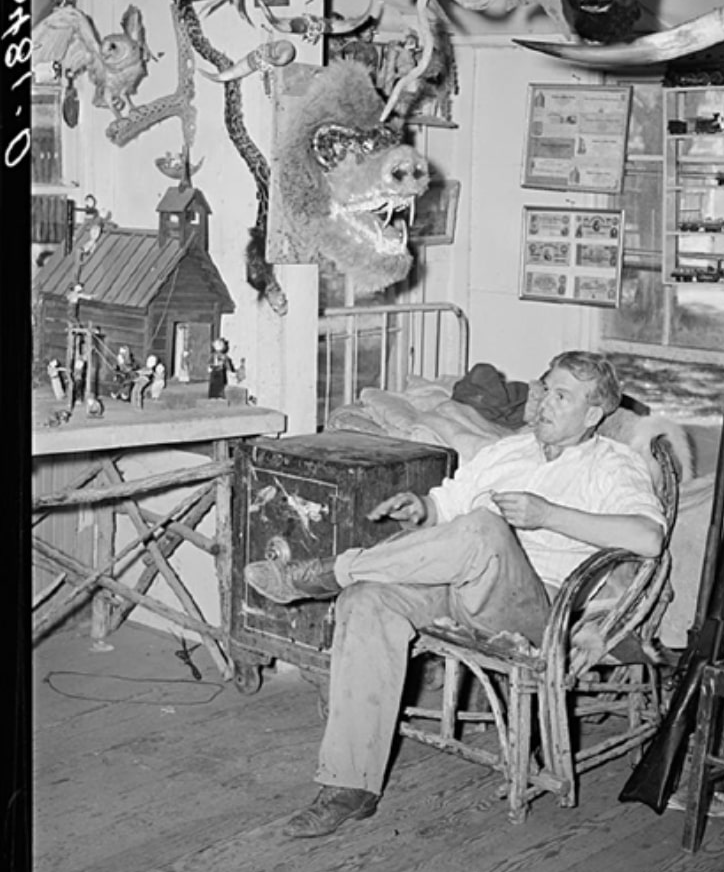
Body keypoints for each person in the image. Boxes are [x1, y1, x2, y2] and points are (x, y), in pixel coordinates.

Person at [245, 351, 666, 838]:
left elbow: (649, 538)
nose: (544, 403)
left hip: (539, 608)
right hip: (462, 589)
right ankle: (349, 785)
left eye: (561, 396)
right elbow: (446, 505)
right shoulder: (509, 450)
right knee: (367, 601)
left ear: (592, 414)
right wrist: (420, 509)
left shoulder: (613, 465)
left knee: (484, 527)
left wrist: (548, 515)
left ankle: (330, 570)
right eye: (546, 389)